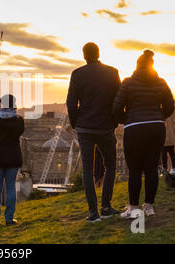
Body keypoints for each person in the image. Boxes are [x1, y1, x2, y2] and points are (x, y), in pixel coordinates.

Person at [113, 50, 174, 218]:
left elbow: (117, 107)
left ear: (137, 65)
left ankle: (133, 208)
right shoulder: (161, 82)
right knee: (151, 168)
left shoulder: (127, 83)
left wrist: (126, 119)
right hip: (156, 127)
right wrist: (159, 116)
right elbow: (170, 106)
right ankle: (148, 206)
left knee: (134, 169)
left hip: (134, 128)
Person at [66, 42, 121, 222]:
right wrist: (114, 120)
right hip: (106, 126)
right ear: (98, 53)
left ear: (84, 55)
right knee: (110, 166)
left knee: (88, 170)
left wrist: (75, 123)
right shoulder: (112, 72)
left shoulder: (77, 74)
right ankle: (106, 206)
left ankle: (92, 212)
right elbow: (119, 100)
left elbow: (71, 103)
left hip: (85, 127)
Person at [0, 94, 24, 228]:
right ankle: (9, 218)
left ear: (2, 105)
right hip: (13, 156)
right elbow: (20, 132)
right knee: (11, 188)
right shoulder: (19, 120)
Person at [161, 102, 175, 175]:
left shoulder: (163, 105)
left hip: (165, 131)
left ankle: (165, 170)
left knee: (164, 152)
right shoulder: (174, 105)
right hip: (171, 132)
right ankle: (174, 168)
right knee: (171, 151)